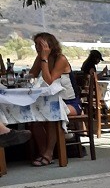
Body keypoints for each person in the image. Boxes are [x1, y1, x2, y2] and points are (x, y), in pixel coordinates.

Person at [28, 32, 81, 167]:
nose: (37, 47)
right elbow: (31, 75)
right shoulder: (40, 58)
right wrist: (40, 60)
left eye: (39, 45)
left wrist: (44, 59)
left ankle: (49, 153)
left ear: (48, 45)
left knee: (53, 115)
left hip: (70, 103)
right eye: (36, 45)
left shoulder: (60, 59)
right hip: (49, 101)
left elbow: (49, 81)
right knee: (35, 120)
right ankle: (43, 152)